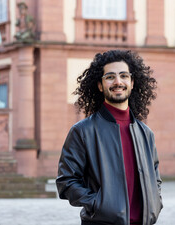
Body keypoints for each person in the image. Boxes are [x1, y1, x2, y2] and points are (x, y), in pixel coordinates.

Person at [56, 50, 163, 225]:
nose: (118, 82)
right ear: (100, 85)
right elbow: (66, 182)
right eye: (110, 77)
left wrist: (155, 204)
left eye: (123, 76)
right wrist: (99, 205)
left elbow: (156, 179)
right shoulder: (83, 131)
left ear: (132, 82)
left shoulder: (145, 133)